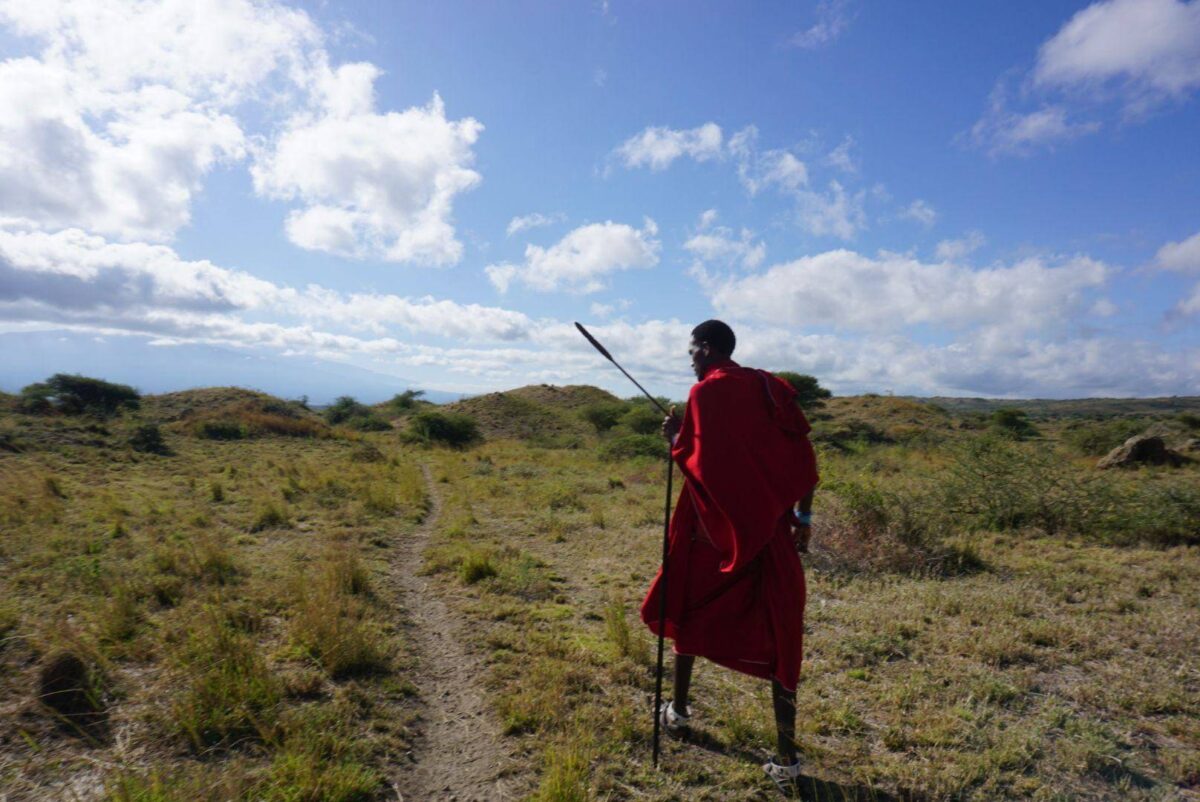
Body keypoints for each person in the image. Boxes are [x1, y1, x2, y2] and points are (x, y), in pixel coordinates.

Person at [640, 319, 818, 794]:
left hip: (713, 535)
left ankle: (677, 714)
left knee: (687, 608)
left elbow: (705, 466)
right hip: (772, 536)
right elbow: (803, 459)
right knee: (782, 633)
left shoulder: (706, 394)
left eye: (692, 351)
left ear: (706, 348)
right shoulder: (769, 388)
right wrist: (803, 518)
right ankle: (787, 758)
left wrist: (675, 438)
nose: (690, 359)